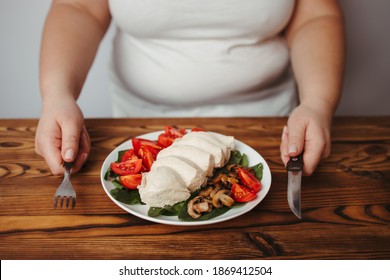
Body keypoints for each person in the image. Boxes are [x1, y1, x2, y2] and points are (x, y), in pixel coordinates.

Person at [35, 0, 345, 176]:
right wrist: (57, 94)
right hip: (139, 131)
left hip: (270, 131)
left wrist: (317, 102)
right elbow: (78, 8)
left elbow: (315, 14)